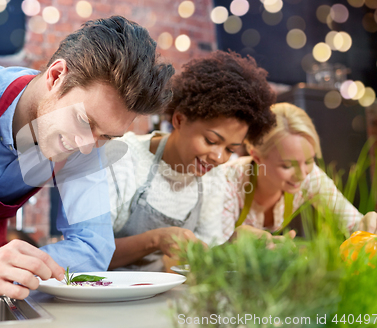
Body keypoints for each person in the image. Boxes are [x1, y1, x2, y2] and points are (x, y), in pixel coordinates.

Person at [0, 16, 174, 309]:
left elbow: (93, 248)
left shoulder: (89, 141)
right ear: (56, 76)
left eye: (108, 137)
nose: (88, 148)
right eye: (83, 121)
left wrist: (14, 268)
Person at [106, 51, 276, 271]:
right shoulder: (124, 158)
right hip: (108, 296)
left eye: (230, 149)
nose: (218, 157)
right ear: (179, 119)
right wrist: (155, 240)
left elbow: (202, 260)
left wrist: (232, 245)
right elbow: (88, 253)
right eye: (210, 140)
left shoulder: (213, 176)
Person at [223, 102, 377, 241]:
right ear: (257, 158)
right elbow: (211, 246)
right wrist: (235, 239)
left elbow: (352, 225)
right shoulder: (228, 180)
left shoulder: (311, 177)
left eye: (309, 161)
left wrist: (371, 226)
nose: (302, 174)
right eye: (287, 166)